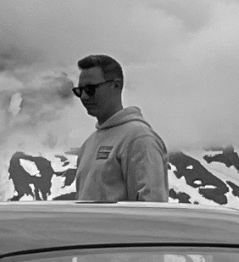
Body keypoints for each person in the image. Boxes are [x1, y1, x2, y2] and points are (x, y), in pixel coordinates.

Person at [70, 54, 171, 203]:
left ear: (116, 85)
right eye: (80, 90)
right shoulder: (89, 144)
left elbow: (152, 207)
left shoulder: (139, 139)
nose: (84, 97)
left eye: (90, 89)